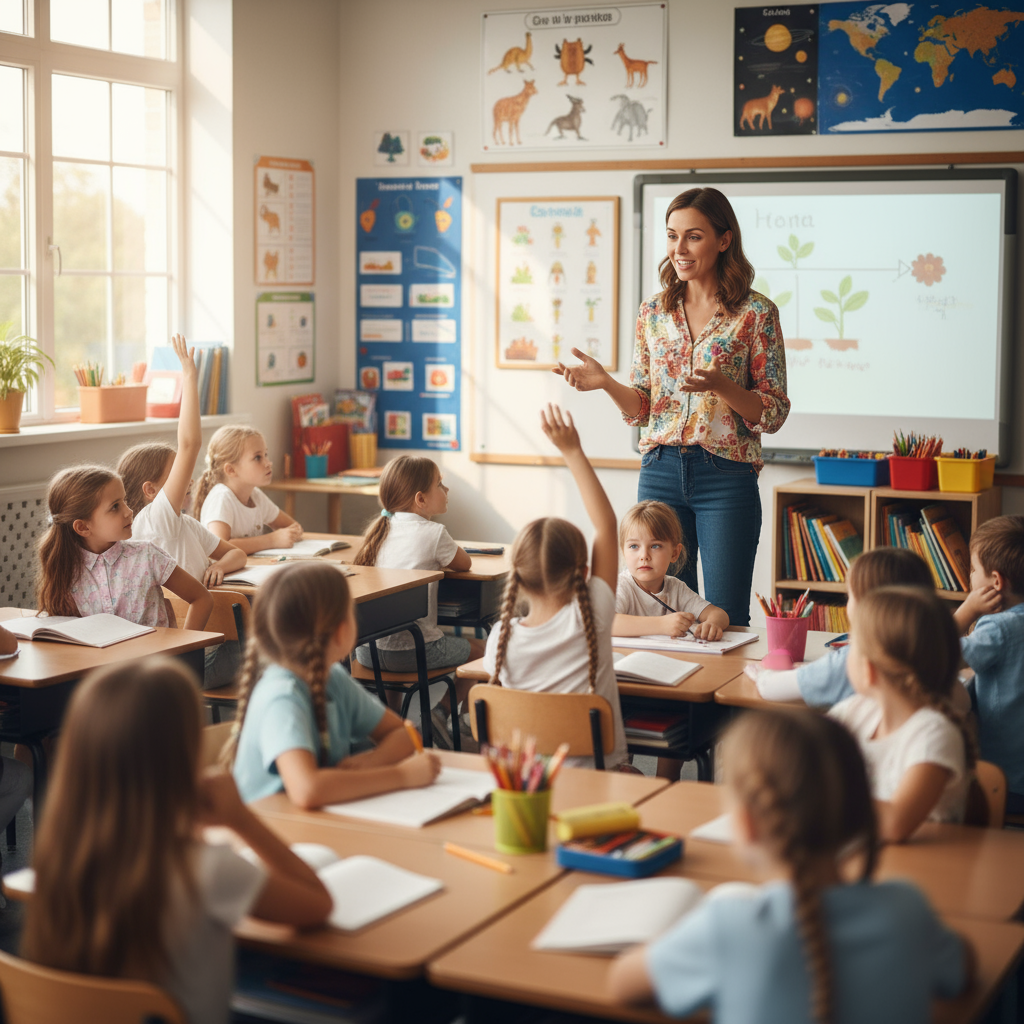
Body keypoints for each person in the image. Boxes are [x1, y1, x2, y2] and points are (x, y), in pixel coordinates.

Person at [608, 707, 972, 1023]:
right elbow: (963, 966)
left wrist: (682, 932)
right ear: (861, 811)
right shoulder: (907, 909)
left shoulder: (726, 926)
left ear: (746, 824)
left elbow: (621, 983)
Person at [21, 657, 331, 1024]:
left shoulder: (59, 859)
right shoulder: (210, 869)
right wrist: (241, 820)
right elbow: (318, 904)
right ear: (183, 758)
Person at [553, 187, 789, 626]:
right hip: (659, 469)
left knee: (724, 616)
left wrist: (723, 387)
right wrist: (606, 383)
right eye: (672, 235)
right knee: (657, 609)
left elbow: (773, 412)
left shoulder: (757, 313)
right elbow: (642, 408)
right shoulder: (653, 313)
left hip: (726, 476)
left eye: (693, 236)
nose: (679, 248)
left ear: (724, 240)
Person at [483, 405, 628, 770]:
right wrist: (572, 450)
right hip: (598, 782)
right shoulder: (591, 616)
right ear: (584, 571)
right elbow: (606, 526)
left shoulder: (500, 639)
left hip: (528, 785)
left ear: (517, 576)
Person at [226, 560, 441, 807]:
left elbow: (404, 734)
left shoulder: (332, 677)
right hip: (268, 824)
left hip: (313, 820)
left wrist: (370, 763)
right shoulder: (282, 696)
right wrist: (401, 776)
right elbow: (307, 790)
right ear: (341, 630)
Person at [118, 334, 247, 686]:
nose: (187, 480)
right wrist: (190, 376)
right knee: (273, 640)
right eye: (176, 474)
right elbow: (190, 444)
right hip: (195, 657)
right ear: (151, 491)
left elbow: (236, 553)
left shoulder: (184, 524)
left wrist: (220, 565)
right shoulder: (155, 521)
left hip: (197, 650)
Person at [352, 455, 482, 747]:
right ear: (420, 499)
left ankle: (391, 724)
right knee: (483, 651)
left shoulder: (379, 532)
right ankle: (442, 713)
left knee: (396, 629)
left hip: (367, 652)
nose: (446, 490)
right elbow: (464, 564)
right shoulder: (434, 533)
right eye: (440, 485)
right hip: (413, 653)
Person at [830, 586, 973, 842]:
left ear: (868, 669)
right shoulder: (853, 712)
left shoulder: (935, 734)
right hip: (863, 851)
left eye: (851, 646)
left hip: (924, 864)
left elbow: (892, 825)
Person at [750, 548, 934, 706]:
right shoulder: (932, 652)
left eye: (849, 595)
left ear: (866, 605)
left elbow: (769, 687)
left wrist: (760, 672)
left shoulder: (855, 658)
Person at [37, 465, 212, 630]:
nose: (129, 511)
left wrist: (187, 647)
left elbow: (201, 598)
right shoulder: (66, 569)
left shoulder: (148, 555)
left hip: (158, 653)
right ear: (82, 527)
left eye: (124, 501)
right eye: (115, 507)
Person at [953, 514, 1024, 816]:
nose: (970, 576)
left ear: (995, 581)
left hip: (1005, 781)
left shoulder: (999, 628)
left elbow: (937, 653)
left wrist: (966, 612)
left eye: (973, 569)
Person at [613, 499, 728, 641]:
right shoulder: (622, 586)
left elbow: (719, 614)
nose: (644, 556)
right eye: (634, 546)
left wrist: (711, 624)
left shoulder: (676, 588)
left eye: (655, 546)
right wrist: (661, 625)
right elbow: (604, 622)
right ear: (623, 551)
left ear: (674, 553)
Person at [194, 425, 303, 555]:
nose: (268, 463)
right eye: (257, 458)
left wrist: (291, 533)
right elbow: (219, 548)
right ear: (231, 470)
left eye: (266, 454)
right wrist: (272, 540)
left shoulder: (255, 495)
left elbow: (293, 527)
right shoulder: (221, 498)